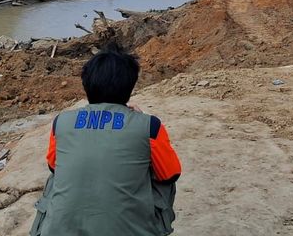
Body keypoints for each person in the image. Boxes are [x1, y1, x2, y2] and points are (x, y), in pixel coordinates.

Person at [31, 46, 181, 236]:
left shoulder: (61, 122)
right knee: (156, 171)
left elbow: (53, 166)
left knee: (57, 175)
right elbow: (170, 175)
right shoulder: (150, 126)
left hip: (59, 231)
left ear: (86, 83)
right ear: (130, 85)